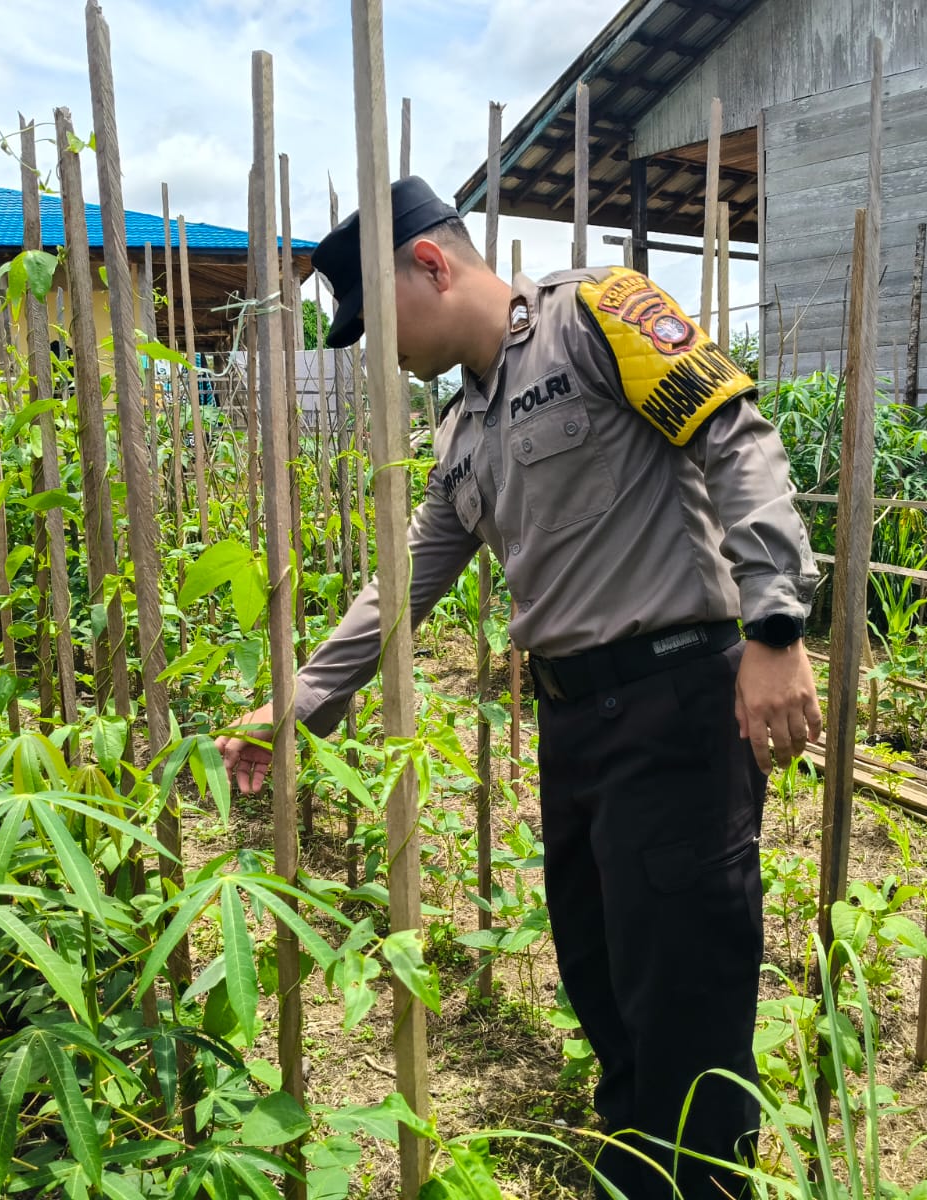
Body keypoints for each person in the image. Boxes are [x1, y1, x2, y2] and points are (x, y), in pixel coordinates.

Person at [217, 176, 820, 1199]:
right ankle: (635, 1165)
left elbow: (735, 436)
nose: (379, 350)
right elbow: (404, 583)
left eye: (377, 321)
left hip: (678, 701)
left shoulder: (598, 315)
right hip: (576, 721)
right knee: (597, 969)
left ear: (432, 265)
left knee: (682, 986)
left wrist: (774, 626)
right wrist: (300, 703)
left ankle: (699, 1181)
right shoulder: (461, 434)